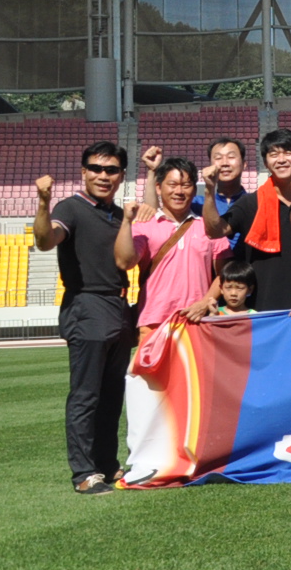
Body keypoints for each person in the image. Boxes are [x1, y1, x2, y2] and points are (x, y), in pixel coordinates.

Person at [33, 142, 135, 494]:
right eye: (95, 168)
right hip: (87, 304)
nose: (103, 176)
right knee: (86, 395)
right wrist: (43, 202)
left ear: (121, 175)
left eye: (111, 170)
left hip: (119, 307)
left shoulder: (118, 214)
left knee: (112, 396)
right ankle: (83, 473)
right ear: (83, 172)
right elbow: (46, 240)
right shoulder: (70, 208)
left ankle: (106, 464)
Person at [204, 127, 291, 313]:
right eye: (273, 154)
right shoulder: (250, 203)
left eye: (288, 152)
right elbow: (215, 231)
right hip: (260, 307)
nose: (281, 159)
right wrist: (209, 189)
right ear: (265, 162)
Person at [117, 153, 226, 332]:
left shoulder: (210, 229)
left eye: (186, 185)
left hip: (197, 321)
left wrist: (205, 302)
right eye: (172, 185)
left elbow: (224, 274)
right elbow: (125, 262)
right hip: (152, 322)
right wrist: (127, 222)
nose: (179, 191)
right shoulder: (144, 227)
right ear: (158, 188)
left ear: (194, 189)